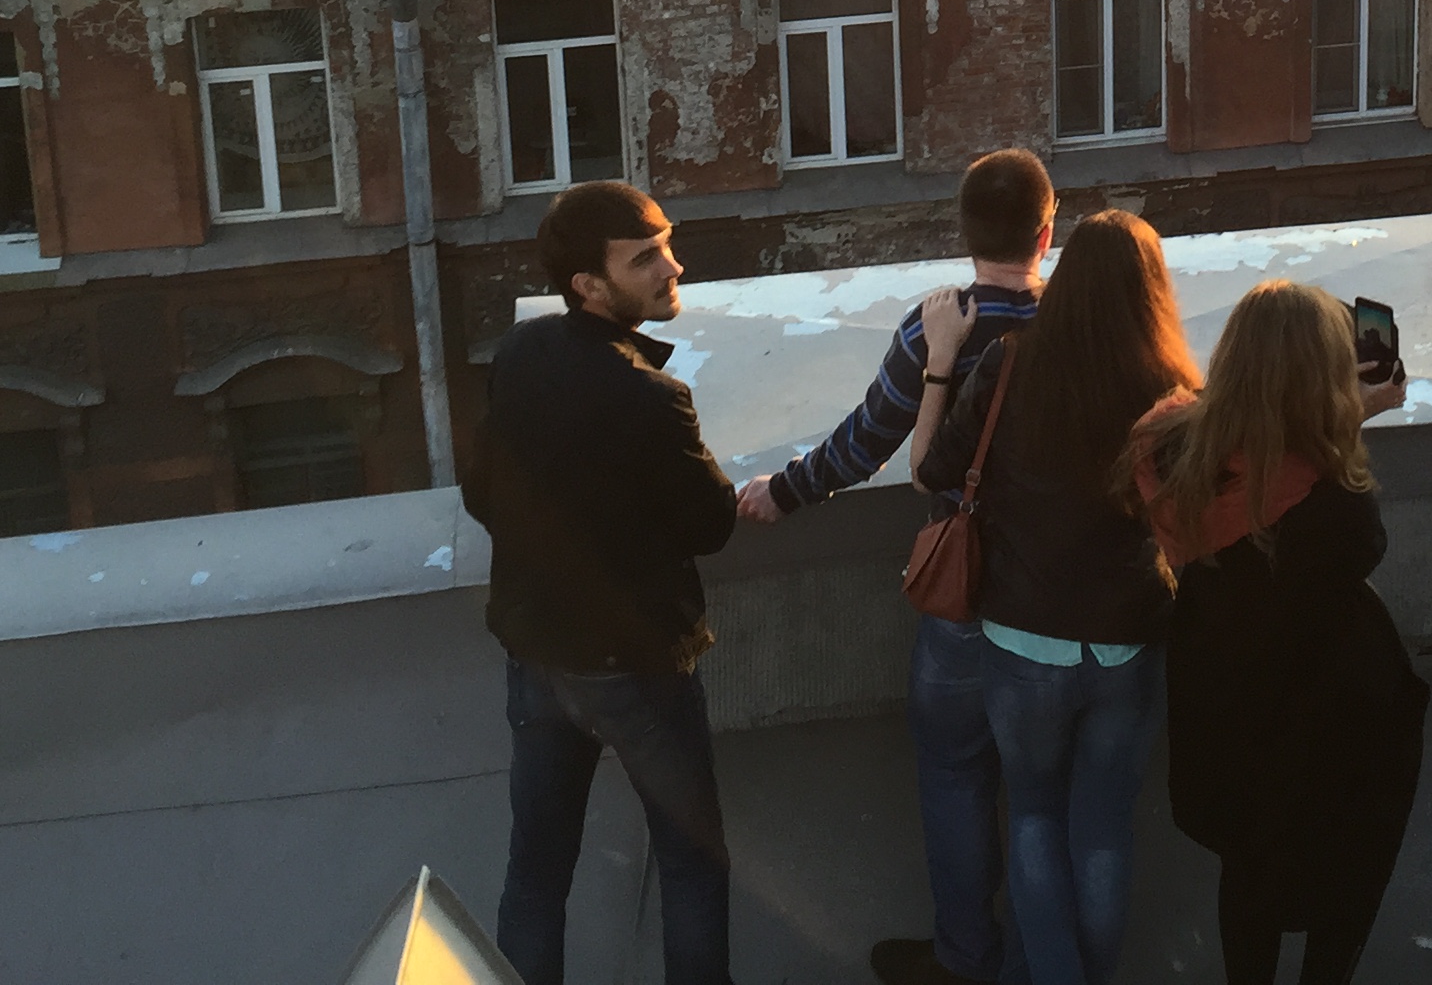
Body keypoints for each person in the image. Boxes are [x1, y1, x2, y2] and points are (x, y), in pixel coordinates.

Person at [737, 150, 1055, 985]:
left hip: (962, 595)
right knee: (1044, 792)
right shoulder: (1076, 321)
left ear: (963, 233)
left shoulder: (934, 327)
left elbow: (867, 439)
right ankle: (1039, 960)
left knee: (955, 775)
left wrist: (786, 492)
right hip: (1059, 595)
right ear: (1046, 231)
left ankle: (964, 957)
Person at [463, 182, 740, 985]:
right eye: (646, 256)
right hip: (638, 673)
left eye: (666, 244)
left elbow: (482, 491)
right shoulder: (652, 397)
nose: (671, 266)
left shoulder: (519, 355)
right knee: (692, 865)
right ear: (588, 284)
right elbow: (712, 525)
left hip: (538, 659)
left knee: (537, 875)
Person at [916, 211, 1201, 985]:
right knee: (1104, 831)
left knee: (1035, 818)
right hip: (1128, 640)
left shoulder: (1010, 367)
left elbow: (933, 472)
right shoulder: (1173, 391)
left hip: (1022, 640)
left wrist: (940, 364)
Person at [1134, 282, 1423, 985]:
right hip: (1335, 733)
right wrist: (1354, 417)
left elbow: (1257, 462)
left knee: (1250, 879)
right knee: (1345, 892)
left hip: (1229, 725)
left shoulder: (1177, 456)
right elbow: (1318, 493)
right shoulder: (1335, 511)